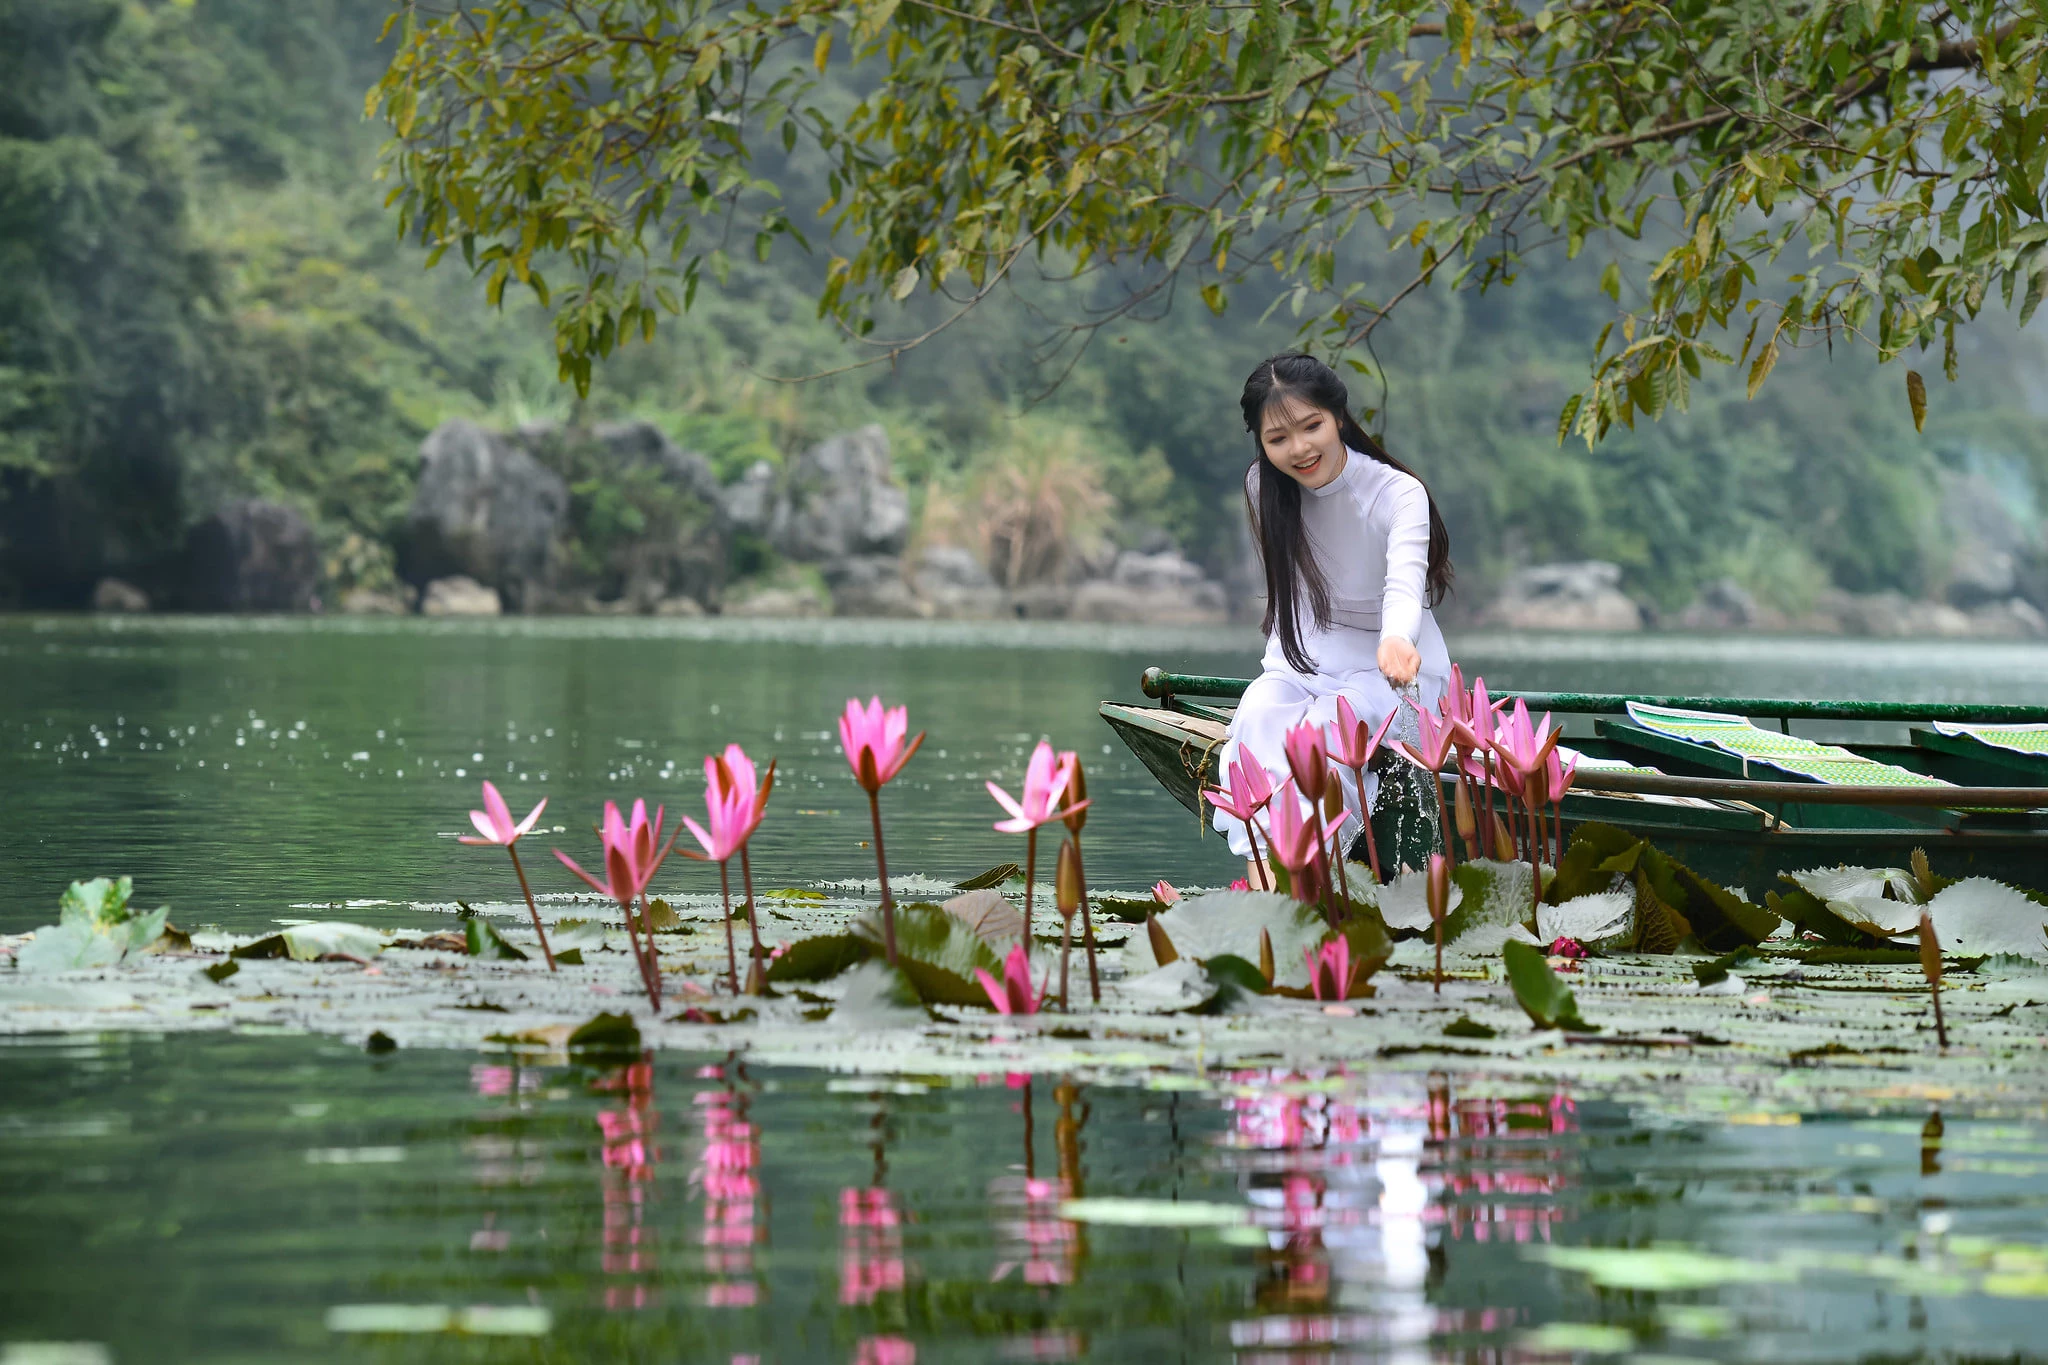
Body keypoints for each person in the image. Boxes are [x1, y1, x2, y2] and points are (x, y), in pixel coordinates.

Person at [1211, 353, 1455, 879]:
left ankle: (1293, 885)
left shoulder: (1396, 493)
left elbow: (1404, 582)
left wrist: (1395, 639)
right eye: (1278, 439)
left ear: (1338, 417)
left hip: (1389, 668)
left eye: (1311, 426)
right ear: (1260, 442)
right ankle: (1267, 882)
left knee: (1324, 735)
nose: (1299, 449)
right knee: (1256, 715)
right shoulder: (1264, 486)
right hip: (1306, 661)